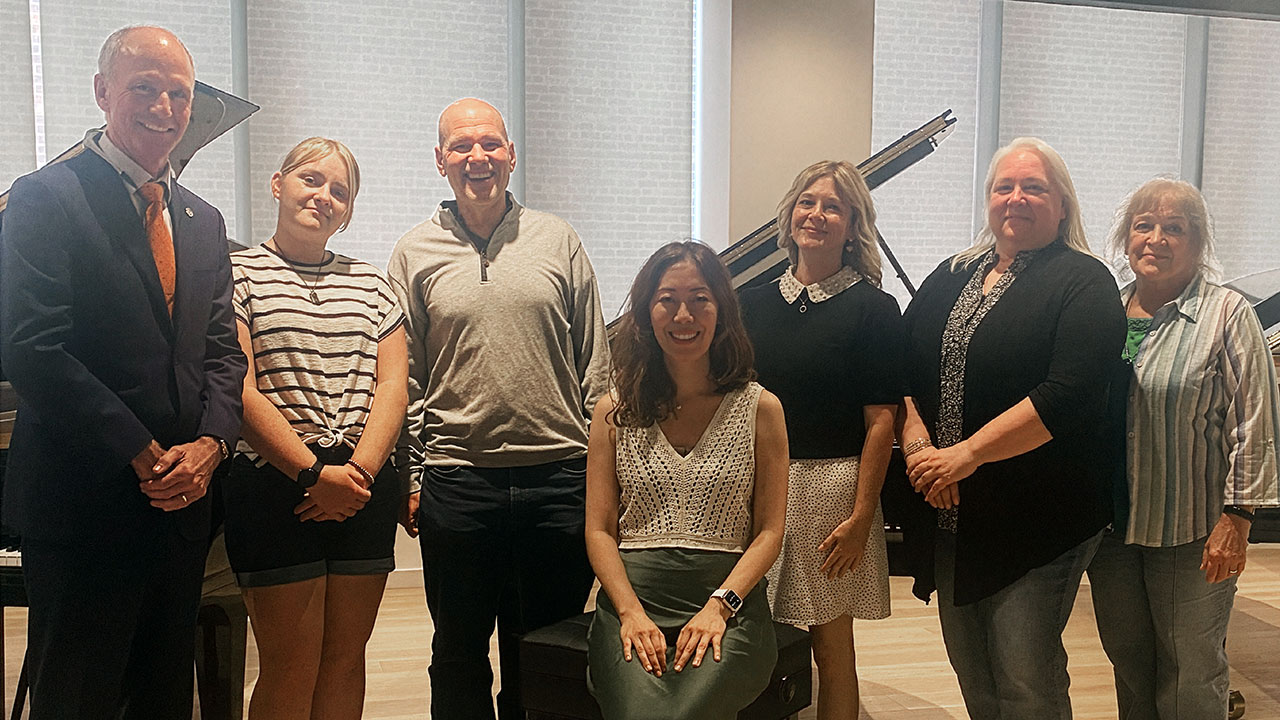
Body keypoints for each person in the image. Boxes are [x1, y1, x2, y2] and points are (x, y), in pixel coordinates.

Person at [0, 26, 245, 718]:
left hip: (183, 512)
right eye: (144, 87)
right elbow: (32, 347)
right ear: (103, 92)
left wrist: (211, 446)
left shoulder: (202, 219)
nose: (164, 107)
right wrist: (142, 453)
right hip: (85, 506)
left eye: (179, 93)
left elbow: (224, 354)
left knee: (163, 698)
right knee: (76, 699)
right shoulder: (46, 197)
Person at [387, 97, 610, 719]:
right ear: (440, 161)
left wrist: (603, 476)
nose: (476, 157)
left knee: (542, 650)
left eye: (489, 144)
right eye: (461, 146)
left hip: (559, 480)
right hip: (458, 482)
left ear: (510, 155)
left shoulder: (558, 239)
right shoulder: (413, 252)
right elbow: (404, 379)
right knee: (456, 651)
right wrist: (410, 477)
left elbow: (595, 362)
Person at [896, 137, 1125, 719]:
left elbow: (1065, 395)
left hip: (1038, 517)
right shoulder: (952, 274)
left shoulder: (1085, 281)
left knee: (1025, 677)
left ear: (1062, 204)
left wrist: (965, 456)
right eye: (1005, 187)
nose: (1016, 198)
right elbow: (898, 365)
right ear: (988, 199)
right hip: (950, 509)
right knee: (973, 670)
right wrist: (923, 449)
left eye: (1034, 187)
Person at [225, 137, 407, 719]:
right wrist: (310, 475)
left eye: (340, 191)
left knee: (345, 658)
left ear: (349, 211)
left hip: (363, 487)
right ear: (278, 185)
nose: (323, 196)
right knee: (290, 662)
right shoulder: (237, 273)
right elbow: (240, 385)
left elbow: (392, 388)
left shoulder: (376, 284)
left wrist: (355, 474)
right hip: (275, 484)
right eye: (311, 180)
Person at [1086, 178, 1280, 720]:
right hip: (1109, 532)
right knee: (1129, 660)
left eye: (1175, 228)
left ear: (1199, 243)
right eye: (1144, 225)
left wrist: (1238, 519)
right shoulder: (1104, 311)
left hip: (1192, 529)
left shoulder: (1228, 314)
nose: (1156, 238)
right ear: (1126, 239)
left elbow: (1256, 422)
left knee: (1191, 667)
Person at [584, 240, 788, 720]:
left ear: (721, 310)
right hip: (633, 603)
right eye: (667, 300)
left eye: (699, 299)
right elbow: (598, 529)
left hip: (730, 607)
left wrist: (720, 606)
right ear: (646, 312)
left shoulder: (762, 409)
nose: (683, 315)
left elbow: (770, 532)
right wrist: (630, 613)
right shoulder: (613, 411)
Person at [739, 160, 901, 719]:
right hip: (758, 485)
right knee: (755, 639)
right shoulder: (752, 304)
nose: (817, 214)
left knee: (832, 647)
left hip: (834, 491)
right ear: (789, 215)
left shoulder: (875, 311)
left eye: (833, 205)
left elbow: (882, 422)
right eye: (807, 202)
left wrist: (862, 517)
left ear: (853, 223)